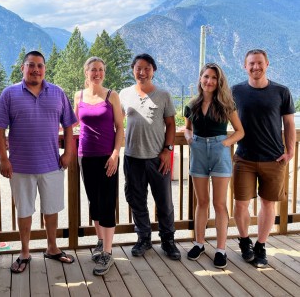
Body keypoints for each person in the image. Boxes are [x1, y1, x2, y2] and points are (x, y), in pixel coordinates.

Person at [0, 50, 77, 274]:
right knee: (24, 210)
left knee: (52, 209)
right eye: (31, 65)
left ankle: (52, 248)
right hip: (20, 167)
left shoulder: (57, 93)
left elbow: (69, 126)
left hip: (52, 164)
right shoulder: (9, 94)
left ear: (45, 69)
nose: (36, 69)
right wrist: (4, 160)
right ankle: (24, 252)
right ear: (23, 68)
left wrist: (68, 153)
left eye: (40, 65)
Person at [232, 49, 295, 268]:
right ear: (244, 66)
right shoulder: (236, 91)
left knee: (268, 204)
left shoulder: (281, 91)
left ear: (267, 64)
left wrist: (290, 151)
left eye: (259, 63)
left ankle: (261, 246)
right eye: (251, 63)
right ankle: (244, 241)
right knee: (240, 205)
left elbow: (288, 123)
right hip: (244, 158)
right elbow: (222, 117)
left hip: (274, 159)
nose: (255, 67)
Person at [119, 53, 181, 260]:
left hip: (158, 157)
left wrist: (168, 150)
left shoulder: (163, 95)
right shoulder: (124, 94)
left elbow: (171, 124)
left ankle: (168, 240)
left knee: (164, 201)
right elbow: (117, 123)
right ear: (133, 70)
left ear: (153, 70)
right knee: (137, 199)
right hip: (132, 157)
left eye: (147, 68)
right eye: (138, 68)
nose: (142, 72)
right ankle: (143, 238)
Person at [184, 63, 244, 268]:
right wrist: (190, 138)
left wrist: (224, 143)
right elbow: (187, 128)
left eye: (213, 78)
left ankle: (221, 249)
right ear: (200, 78)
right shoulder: (191, 105)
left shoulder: (226, 105)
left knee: (219, 203)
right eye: (206, 77)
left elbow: (240, 131)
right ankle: (199, 243)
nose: (209, 81)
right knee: (202, 202)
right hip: (198, 152)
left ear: (219, 82)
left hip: (219, 153)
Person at [73, 57, 124, 276]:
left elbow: (120, 128)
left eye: (101, 69)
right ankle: (100, 241)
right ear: (86, 73)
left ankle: (108, 252)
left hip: (107, 157)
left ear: (104, 72)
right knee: (94, 200)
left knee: (107, 201)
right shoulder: (78, 96)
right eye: (93, 70)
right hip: (85, 156)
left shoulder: (112, 95)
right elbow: (74, 123)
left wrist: (115, 154)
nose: (97, 73)